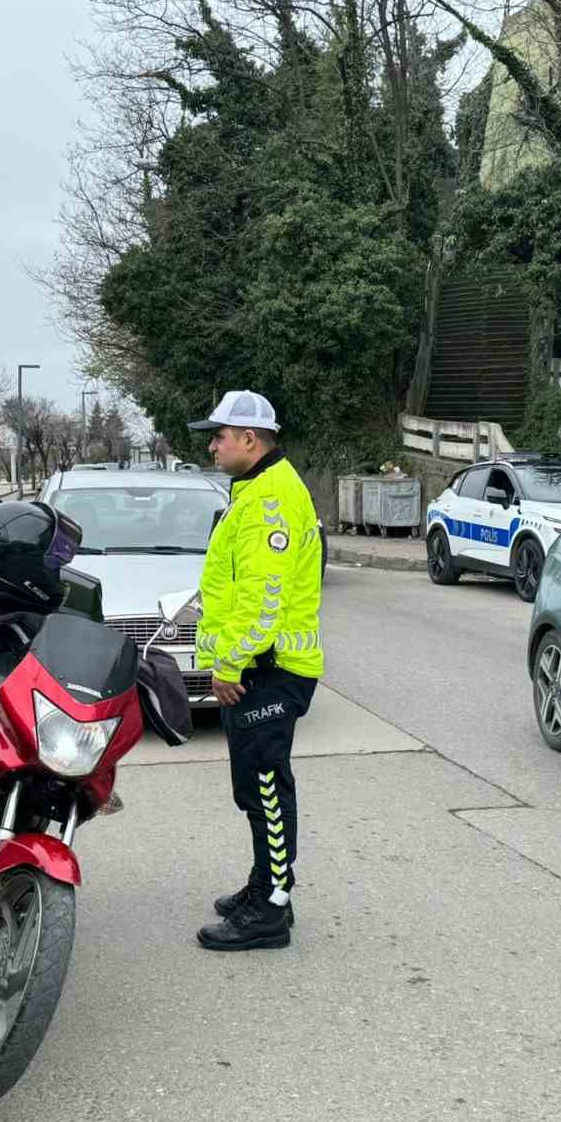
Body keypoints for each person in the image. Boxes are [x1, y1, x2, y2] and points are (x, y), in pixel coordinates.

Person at [189, 390, 323, 952]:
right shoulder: (256, 489)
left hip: (268, 669)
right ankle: (264, 884)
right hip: (259, 666)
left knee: (266, 788)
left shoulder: (270, 499)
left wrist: (228, 664)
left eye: (219, 436)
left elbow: (263, 601)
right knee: (255, 786)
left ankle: (271, 909)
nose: (213, 446)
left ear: (250, 438)